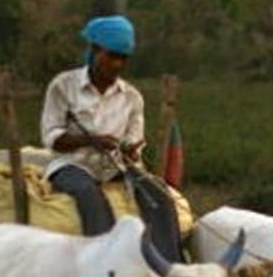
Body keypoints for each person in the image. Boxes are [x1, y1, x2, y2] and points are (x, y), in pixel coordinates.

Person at [40, 14, 180, 262]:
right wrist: (91, 141)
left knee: (159, 197)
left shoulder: (132, 97)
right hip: (73, 165)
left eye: (123, 58)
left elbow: (134, 141)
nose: (117, 64)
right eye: (112, 56)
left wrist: (130, 150)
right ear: (95, 50)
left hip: (117, 167)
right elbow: (52, 137)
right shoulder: (63, 86)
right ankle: (102, 263)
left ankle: (169, 266)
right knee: (90, 195)